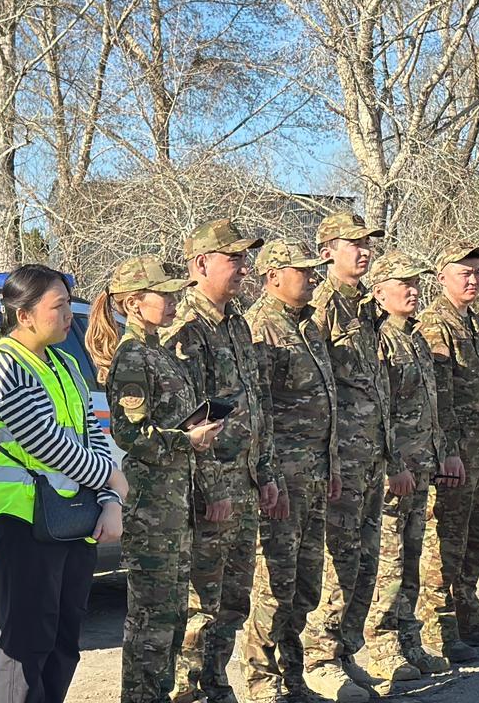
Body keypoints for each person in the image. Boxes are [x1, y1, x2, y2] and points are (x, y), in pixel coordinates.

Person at [0, 264, 126, 703]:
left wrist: (110, 497)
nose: (68, 315)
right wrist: (111, 478)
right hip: (22, 521)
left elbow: (93, 432)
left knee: (63, 641)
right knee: (27, 644)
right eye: (57, 307)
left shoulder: (65, 362)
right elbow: (47, 445)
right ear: (25, 315)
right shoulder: (1, 367)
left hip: (72, 519)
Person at [85, 255, 223, 703]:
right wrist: (187, 440)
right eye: (162, 294)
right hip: (151, 505)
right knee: (151, 619)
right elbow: (129, 432)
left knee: (171, 615)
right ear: (132, 302)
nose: (172, 301)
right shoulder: (132, 357)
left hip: (174, 502)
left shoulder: (156, 350)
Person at [160, 220, 281, 703]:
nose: (243, 268)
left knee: (233, 600)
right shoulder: (184, 328)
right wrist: (210, 489)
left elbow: (255, 403)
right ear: (201, 263)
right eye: (233, 259)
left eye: (244, 259)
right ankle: (185, 691)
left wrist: (265, 472)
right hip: (210, 490)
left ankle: (215, 685)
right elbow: (186, 424)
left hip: (244, 483)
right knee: (198, 603)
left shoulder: (234, 322)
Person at [240, 240, 341, 703]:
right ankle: (263, 682)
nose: (313, 277)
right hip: (282, 479)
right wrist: (267, 476)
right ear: (274, 275)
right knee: (275, 586)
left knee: (305, 586)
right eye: (303, 270)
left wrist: (332, 463)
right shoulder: (262, 327)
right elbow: (257, 411)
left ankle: (293, 678)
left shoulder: (307, 326)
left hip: (316, 474)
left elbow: (327, 406)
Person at [360, 250, 463, 682]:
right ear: (380, 292)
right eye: (403, 283)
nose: (413, 290)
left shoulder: (416, 337)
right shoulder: (380, 338)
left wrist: (440, 453)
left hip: (421, 465)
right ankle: (382, 648)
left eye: (415, 283)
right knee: (388, 560)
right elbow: (381, 410)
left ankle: (409, 640)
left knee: (413, 556)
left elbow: (430, 406)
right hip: (396, 467)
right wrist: (391, 464)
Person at [302, 213, 392, 702]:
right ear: (327, 250)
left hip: (370, 451)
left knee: (363, 555)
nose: (364, 251)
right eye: (353, 244)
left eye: (367, 244)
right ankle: (319, 657)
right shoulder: (321, 305)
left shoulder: (365, 306)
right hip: (339, 455)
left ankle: (344, 648)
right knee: (336, 555)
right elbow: (314, 386)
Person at [415, 243, 479, 655]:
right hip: (455, 457)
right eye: (464, 272)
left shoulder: (476, 324)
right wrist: (447, 451)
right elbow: (438, 397)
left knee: (475, 541)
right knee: (444, 545)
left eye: (477, 272)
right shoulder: (435, 325)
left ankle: (470, 622)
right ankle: (439, 635)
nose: (473, 279)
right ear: (442, 277)